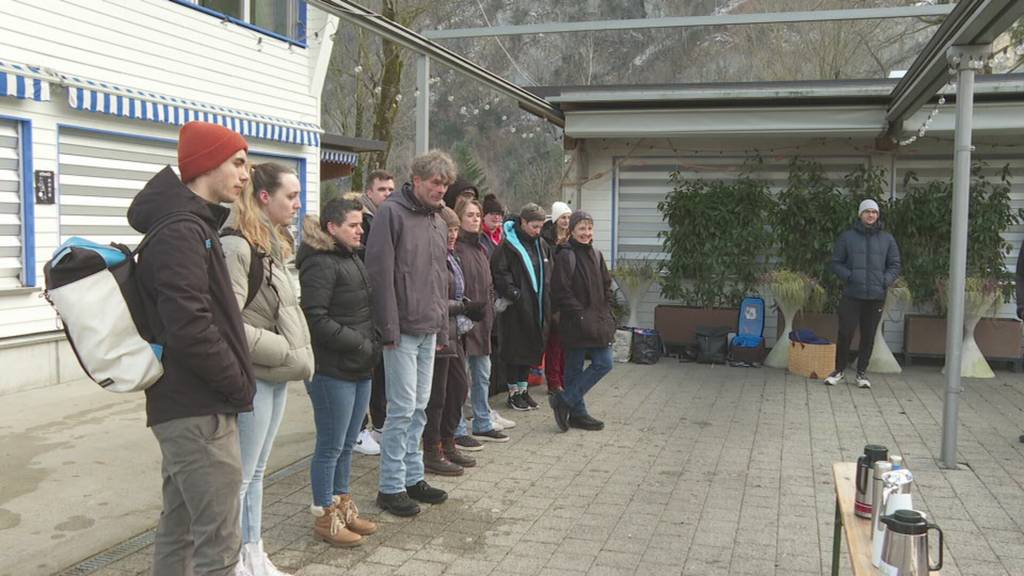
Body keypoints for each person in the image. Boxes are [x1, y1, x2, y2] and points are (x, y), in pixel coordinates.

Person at [126, 121, 254, 576]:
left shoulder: (188, 225)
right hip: (199, 409)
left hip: (189, 405)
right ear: (206, 164)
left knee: (179, 530)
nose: (245, 175)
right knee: (218, 546)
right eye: (237, 163)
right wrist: (236, 383)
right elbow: (190, 327)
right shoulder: (182, 230)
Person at [221, 163, 314, 574]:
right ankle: (235, 557)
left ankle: (254, 550)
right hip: (257, 373)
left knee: (258, 471)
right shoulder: (238, 246)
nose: (297, 204)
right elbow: (229, 322)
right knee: (241, 477)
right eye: (290, 196)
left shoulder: (271, 243)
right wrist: (281, 348)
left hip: (276, 372)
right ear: (264, 197)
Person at [366, 150, 453, 517]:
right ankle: (390, 486)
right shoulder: (391, 213)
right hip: (401, 330)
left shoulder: (437, 219)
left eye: (445, 184)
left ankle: (413, 477)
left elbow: (440, 279)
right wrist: (388, 327)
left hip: (428, 327)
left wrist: (442, 325)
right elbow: (379, 273)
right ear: (416, 179)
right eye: (435, 182)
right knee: (401, 409)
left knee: (420, 408)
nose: (440, 189)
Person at [297, 200, 381, 547]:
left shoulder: (350, 257)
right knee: (330, 445)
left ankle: (343, 504)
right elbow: (315, 319)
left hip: (359, 365)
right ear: (332, 228)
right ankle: (324, 516)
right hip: (333, 369)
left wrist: (371, 343)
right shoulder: (320, 263)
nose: (360, 230)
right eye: (352, 225)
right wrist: (359, 344)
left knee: (347, 443)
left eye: (361, 224)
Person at [422, 207, 486, 476]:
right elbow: (431, 298)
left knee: (458, 389)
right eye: (449, 229)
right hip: (439, 333)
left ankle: (448, 441)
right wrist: (462, 307)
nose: (453, 234)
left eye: (456, 229)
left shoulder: (452, 257)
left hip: (455, 332)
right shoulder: (432, 259)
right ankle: (432, 449)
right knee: (438, 396)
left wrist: (467, 307)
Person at [549, 211, 616, 432]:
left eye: (589, 228)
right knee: (573, 369)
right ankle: (578, 414)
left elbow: (606, 286)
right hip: (574, 322)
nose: (586, 233)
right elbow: (560, 290)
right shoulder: (566, 255)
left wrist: (606, 310)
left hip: (597, 321)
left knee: (604, 362)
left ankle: (564, 400)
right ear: (572, 231)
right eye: (581, 229)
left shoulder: (596, 254)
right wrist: (579, 313)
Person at [451, 198, 511, 446]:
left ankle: (482, 423)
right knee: (459, 382)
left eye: (478, 215)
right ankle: (456, 429)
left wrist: (492, 309)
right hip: (463, 325)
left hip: (484, 324)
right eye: (470, 215)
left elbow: (488, 285)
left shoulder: (481, 248)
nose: (476, 219)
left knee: (482, 377)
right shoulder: (456, 249)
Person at [824, 199, 901, 389]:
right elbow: (835, 263)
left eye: (874, 212)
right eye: (867, 212)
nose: (871, 215)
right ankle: (839, 371)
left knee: (868, 335)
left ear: (878, 215)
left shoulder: (887, 239)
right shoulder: (847, 237)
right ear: (860, 214)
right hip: (852, 294)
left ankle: (861, 373)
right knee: (845, 333)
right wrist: (850, 276)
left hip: (876, 296)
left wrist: (885, 280)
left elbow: (895, 264)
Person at [491, 203, 551, 412]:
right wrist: (515, 294)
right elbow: (500, 273)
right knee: (515, 350)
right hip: (516, 307)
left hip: (536, 305)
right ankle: (513, 392)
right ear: (523, 222)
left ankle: (524, 390)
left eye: (540, 227)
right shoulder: (508, 246)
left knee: (530, 348)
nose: (537, 231)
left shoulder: (541, 244)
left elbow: (547, 270)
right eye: (534, 226)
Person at [356, 169, 395, 456]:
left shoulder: (386, 219)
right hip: (361, 307)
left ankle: (378, 424)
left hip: (380, 306)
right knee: (364, 371)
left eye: (391, 189)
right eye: (382, 189)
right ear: (369, 192)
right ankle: (359, 430)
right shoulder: (362, 221)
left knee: (379, 371)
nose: (388, 194)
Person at [541, 201, 573, 394]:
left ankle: (563, 377)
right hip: (553, 296)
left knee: (566, 343)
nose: (566, 221)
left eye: (568, 218)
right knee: (554, 342)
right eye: (563, 217)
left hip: (568, 295)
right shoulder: (547, 241)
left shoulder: (572, 238)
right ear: (555, 219)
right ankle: (553, 380)